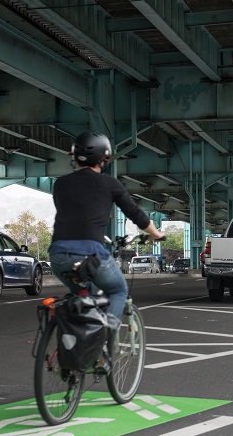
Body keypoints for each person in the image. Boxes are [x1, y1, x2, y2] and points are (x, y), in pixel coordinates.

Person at [48, 131, 164, 333]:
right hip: (90, 255)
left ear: (75, 157)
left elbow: (74, 214)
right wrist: (156, 234)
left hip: (57, 256)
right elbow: (135, 213)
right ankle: (104, 334)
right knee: (118, 290)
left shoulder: (60, 184)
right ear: (104, 158)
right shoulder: (110, 183)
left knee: (85, 296)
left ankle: (78, 344)